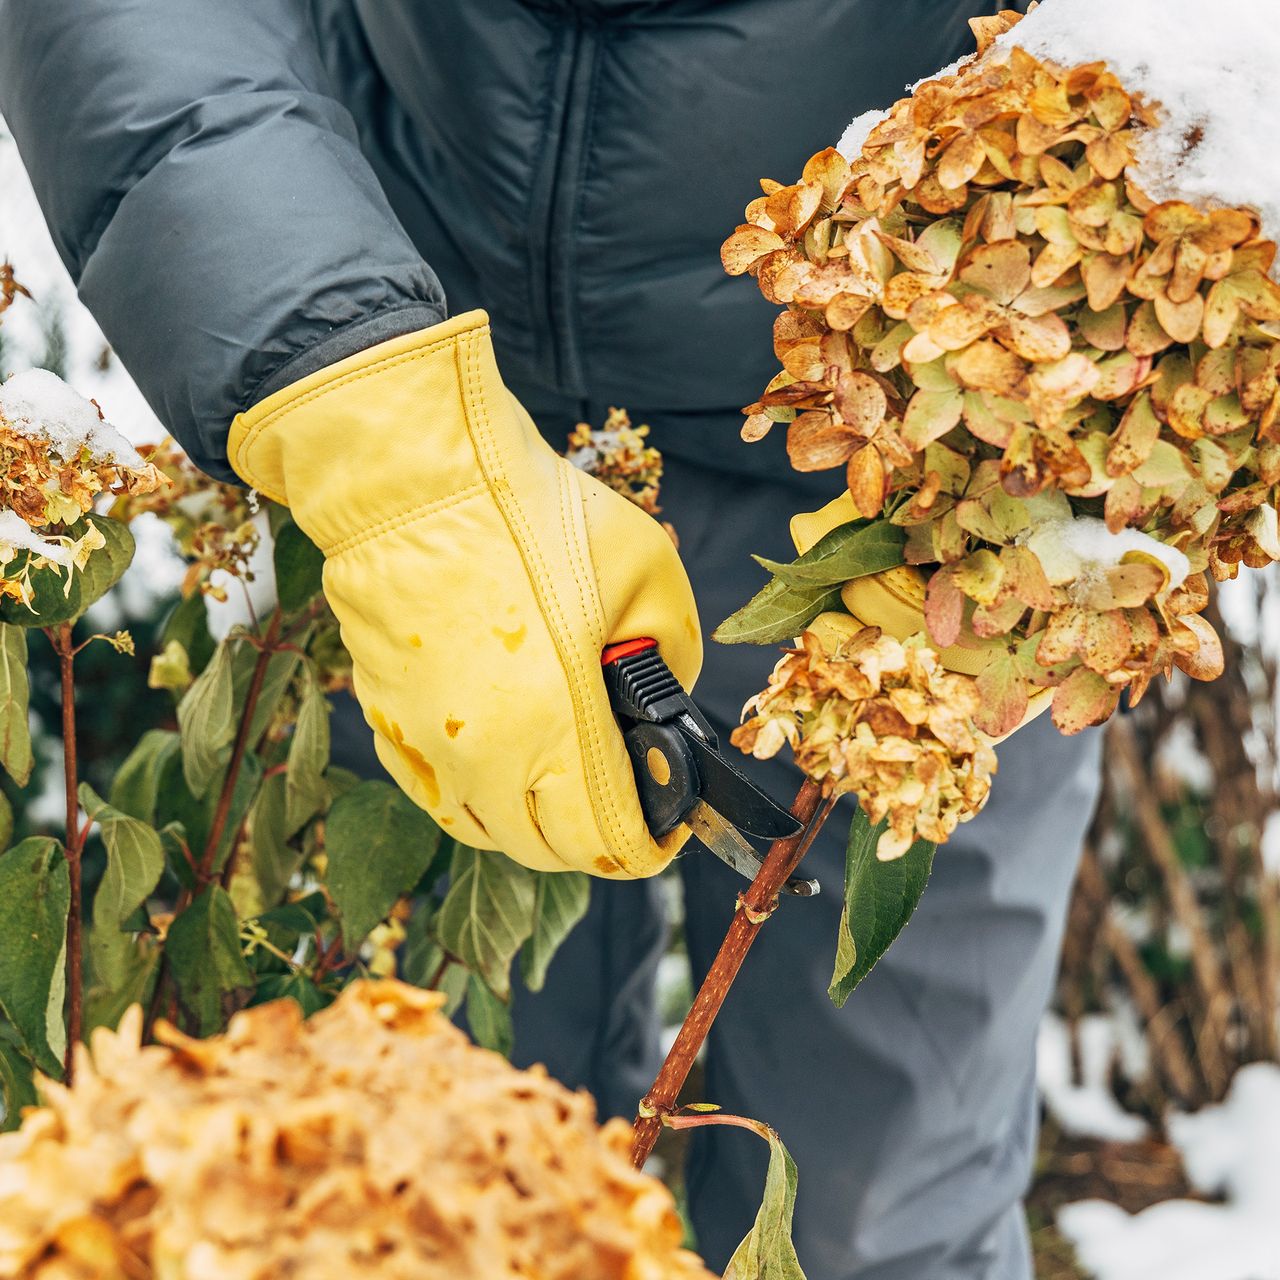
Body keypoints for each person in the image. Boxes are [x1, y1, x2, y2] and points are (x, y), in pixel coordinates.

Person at [0, 3, 1103, 1275]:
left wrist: (1083, 434)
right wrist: (381, 436)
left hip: (903, 454)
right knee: (419, 1168)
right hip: (417, 345)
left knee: (878, 1209)